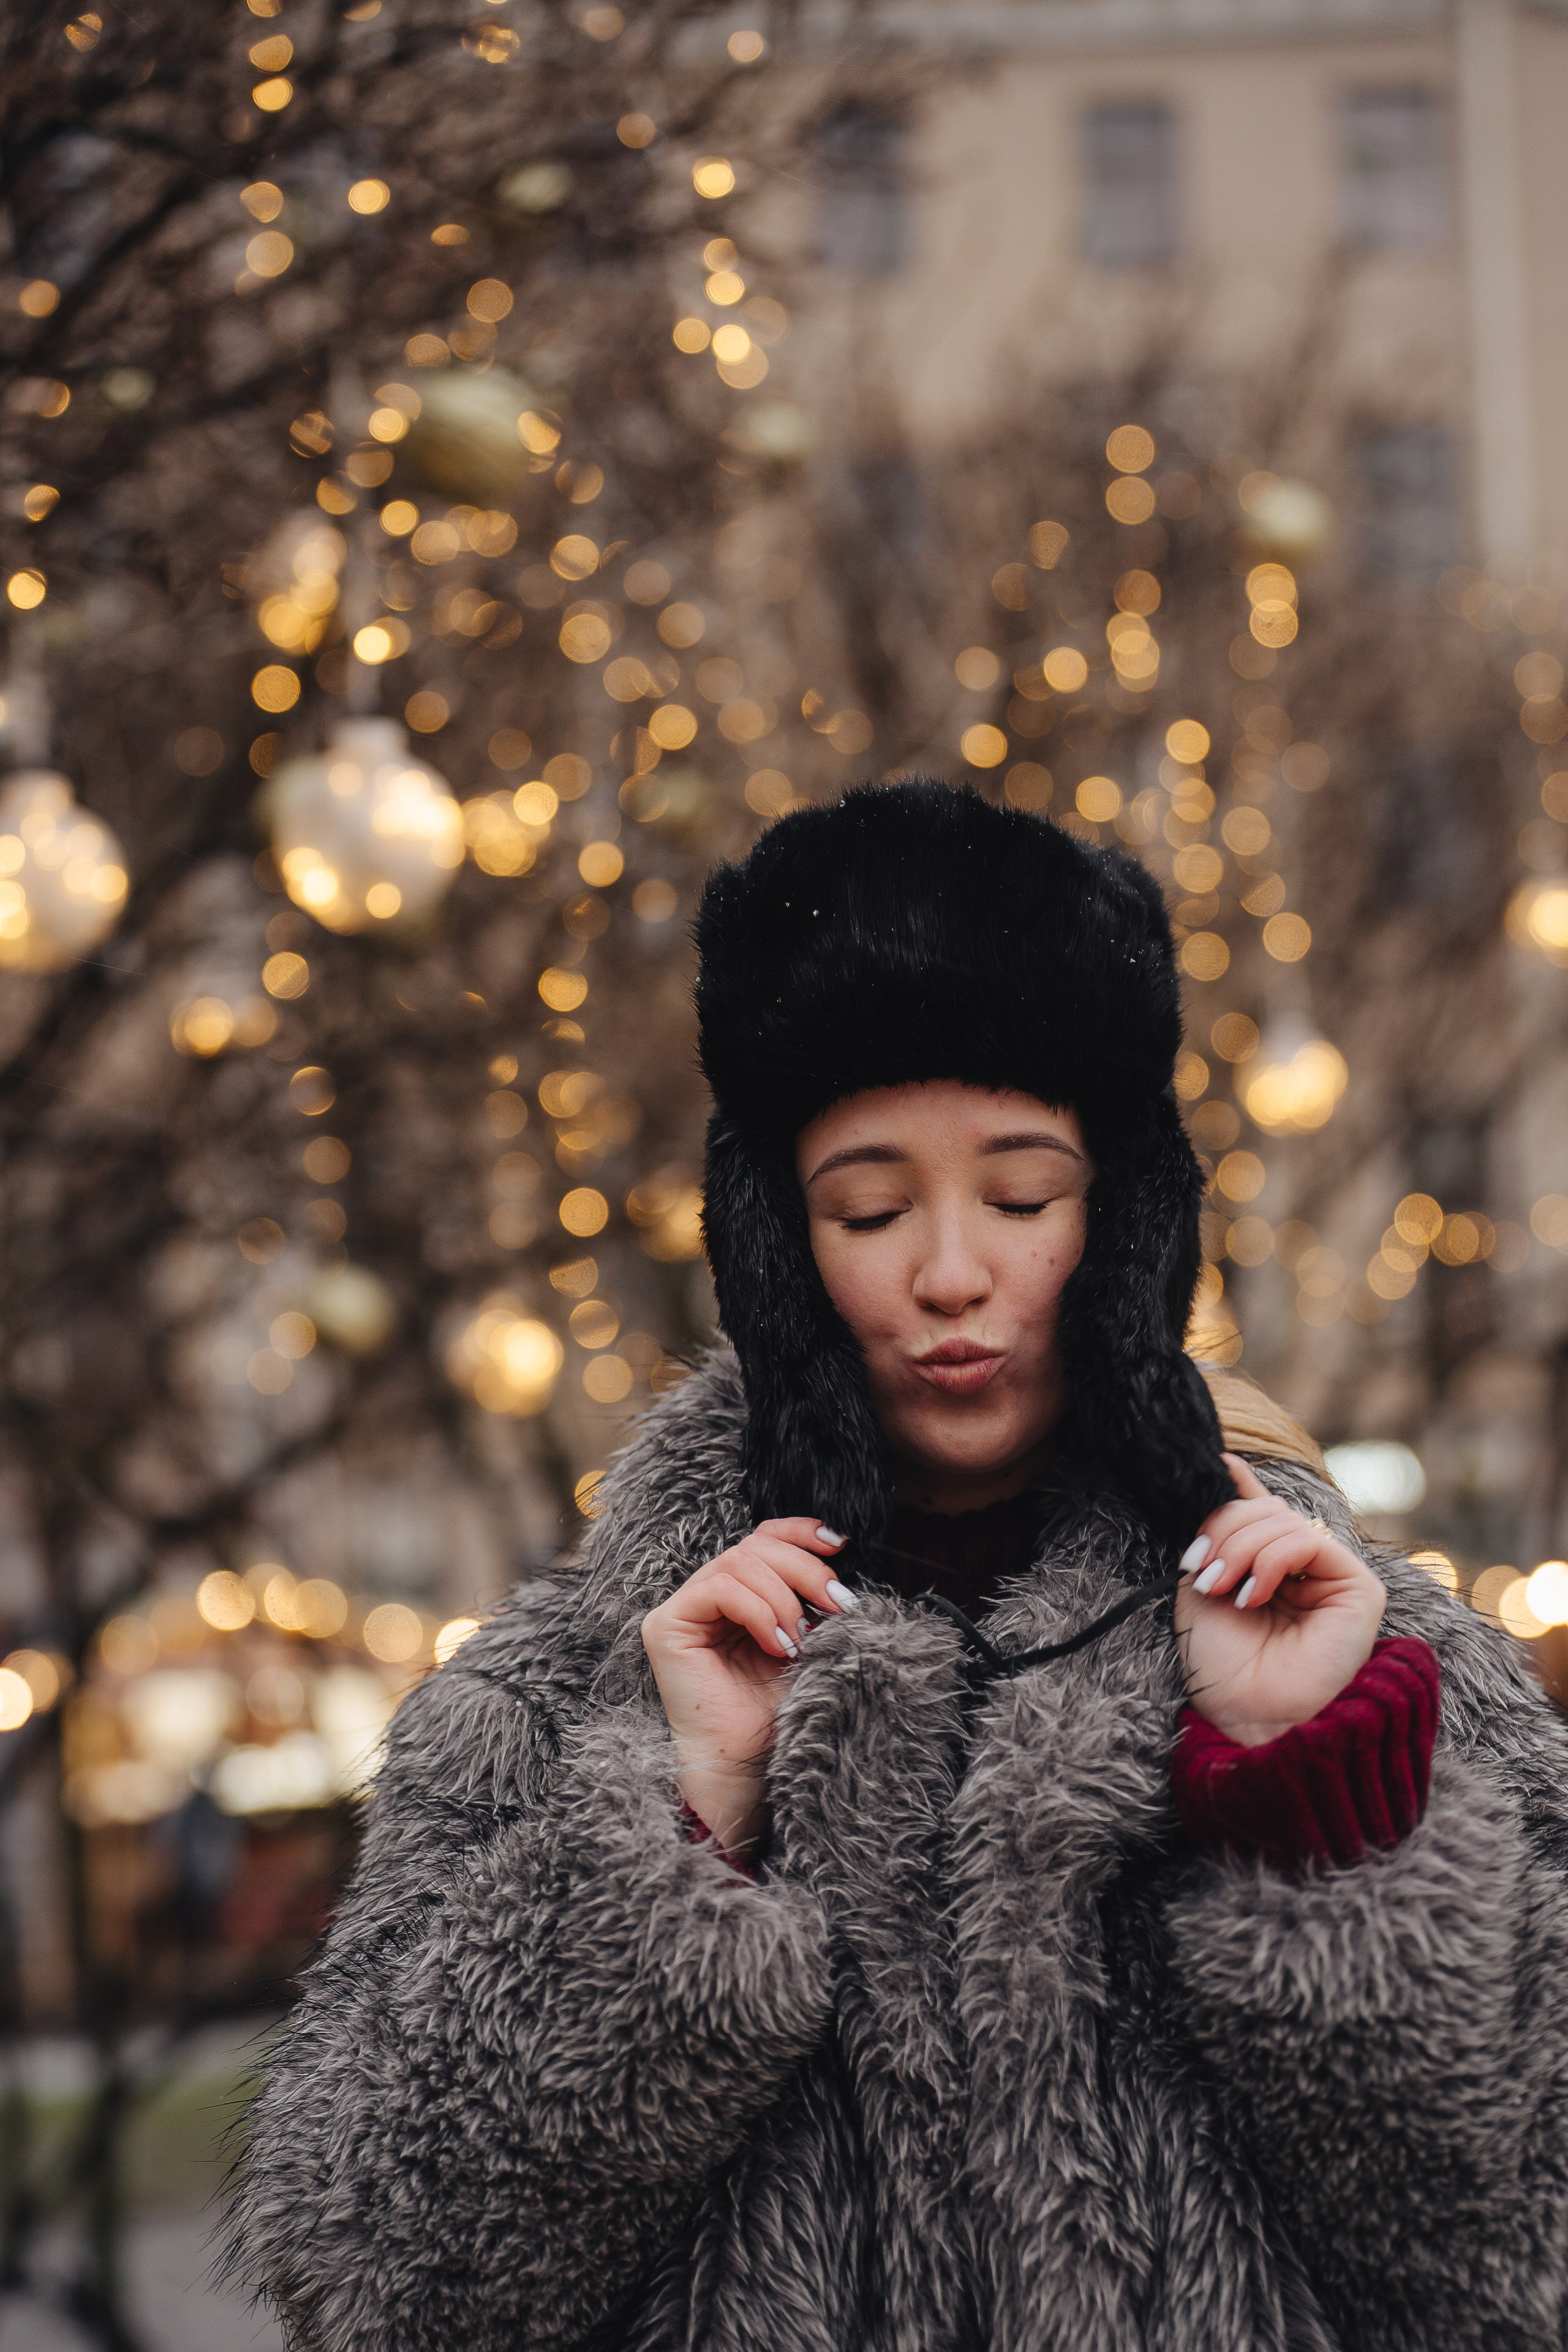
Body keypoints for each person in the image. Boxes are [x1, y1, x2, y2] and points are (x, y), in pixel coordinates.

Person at [229, 781, 1568, 2352]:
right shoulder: (554, 1703)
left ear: (1123, 1223)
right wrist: (678, 1844)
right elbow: (377, 2289)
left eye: (1021, 1196)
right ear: (780, 1252)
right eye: (868, 1208)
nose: (949, 1272)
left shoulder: (1381, 1667)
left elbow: (1516, 2268)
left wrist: (1312, 1807)